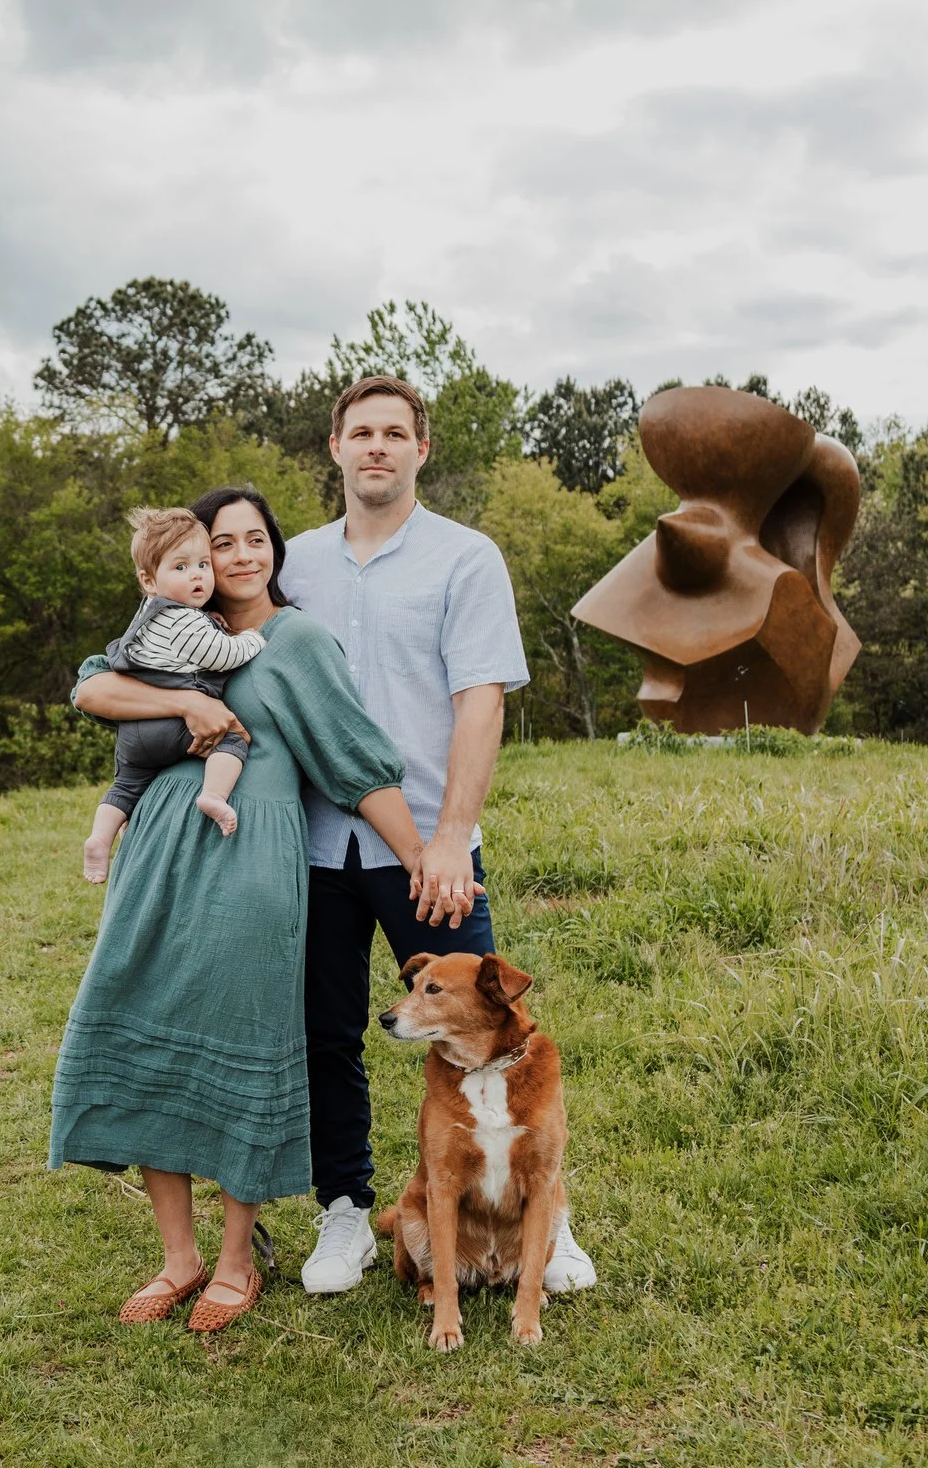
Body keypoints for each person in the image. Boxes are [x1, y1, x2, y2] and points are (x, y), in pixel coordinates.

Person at [52, 487, 472, 1332]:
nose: (236, 558)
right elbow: (91, 688)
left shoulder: (294, 640)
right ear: (190, 559)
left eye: (252, 541)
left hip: (249, 852)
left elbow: (355, 764)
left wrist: (422, 852)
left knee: (246, 1036)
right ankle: (179, 1256)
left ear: (273, 549)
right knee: (129, 1016)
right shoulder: (167, 625)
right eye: (218, 545)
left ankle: (238, 1259)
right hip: (157, 851)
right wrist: (185, 701)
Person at [286, 373, 601, 1297]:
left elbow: (481, 699)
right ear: (336, 449)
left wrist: (452, 835)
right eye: (361, 432)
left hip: (427, 847)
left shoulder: (467, 558)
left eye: (394, 433)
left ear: (422, 450)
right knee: (327, 1034)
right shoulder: (292, 565)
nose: (376, 446)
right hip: (309, 841)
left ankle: (552, 1222)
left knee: (492, 1030)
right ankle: (345, 1212)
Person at [81, 507, 264, 884]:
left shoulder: (149, 614)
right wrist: (252, 638)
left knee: (125, 786)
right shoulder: (182, 619)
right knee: (232, 739)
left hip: (134, 736)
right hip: (171, 726)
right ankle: (214, 795)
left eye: (202, 564)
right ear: (148, 581)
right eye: (180, 567)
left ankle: (99, 839)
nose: (196, 574)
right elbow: (221, 655)